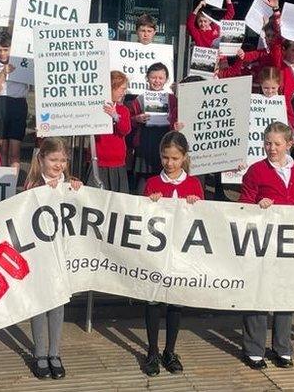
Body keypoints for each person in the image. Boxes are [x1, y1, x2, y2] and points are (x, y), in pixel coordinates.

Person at [238, 122, 294, 369]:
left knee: (285, 294)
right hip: (262, 242)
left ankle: (282, 347)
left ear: (289, 144)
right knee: (259, 293)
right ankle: (253, 348)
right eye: (268, 143)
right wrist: (257, 204)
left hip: (290, 244)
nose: (271, 148)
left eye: (277, 144)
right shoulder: (255, 170)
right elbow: (243, 203)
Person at [141, 131, 203, 376]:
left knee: (175, 302)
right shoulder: (153, 183)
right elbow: (142, 217)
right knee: (154, 300)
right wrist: (151, 203)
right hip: (157, 254)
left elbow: (204, 219)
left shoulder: (193, 184)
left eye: (175, 158)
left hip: (180, 253)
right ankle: (152, 351)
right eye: (166, 158)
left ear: (184, 157)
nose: (170, 163)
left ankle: (170, 350)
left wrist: (195, 203)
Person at [23, 138, 82, 379]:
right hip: (38, 255)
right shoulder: (31, 185)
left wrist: (78, 188)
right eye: (53, 160)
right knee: (40, 305)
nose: (59, 165)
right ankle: (39, 353)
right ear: (42, 159)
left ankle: (54, 352)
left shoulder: (71, 185)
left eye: (63, 160)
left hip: (62, 254)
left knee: (58, 304)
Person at [128, 63, 175, 191]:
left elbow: (177, 119)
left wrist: (173, 122)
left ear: (166, 80)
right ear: (147, 78)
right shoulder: (140, 99)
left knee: (164, 175)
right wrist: (136, 119)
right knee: (143, 178)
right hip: (145, 141)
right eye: (154, 77)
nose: (157, 81)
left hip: (165, 141)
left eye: (161, 78)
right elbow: (128, 120)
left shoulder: (172, 99)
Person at [0, 31, 28, 173]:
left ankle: (13, 180)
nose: (2, 54)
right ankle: (3, 183)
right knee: (3, 149)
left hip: (18, 106)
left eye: (6, 49)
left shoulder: (24, 64)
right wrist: (3, 73)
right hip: (1, 105)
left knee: (15, 151)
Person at [92, 71, 132, 193]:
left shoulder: (123, 110)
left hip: (117, 162)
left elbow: (125, 130)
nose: (123, 92)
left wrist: (116, 117)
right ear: (111, 87)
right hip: (97, 162)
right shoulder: (96, 108)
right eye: (121, 88)